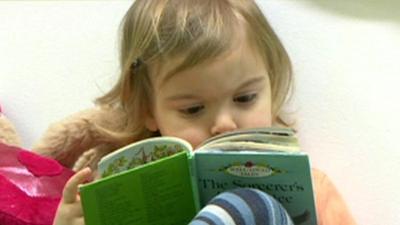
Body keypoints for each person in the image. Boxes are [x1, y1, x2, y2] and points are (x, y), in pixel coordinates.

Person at [41, 0, 357, 224]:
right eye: (193, 109)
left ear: (271, 87)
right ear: (148, 110)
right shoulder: (125, 187)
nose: (225, 124)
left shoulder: (312, 188)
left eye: (245, 98)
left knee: (252, 204)